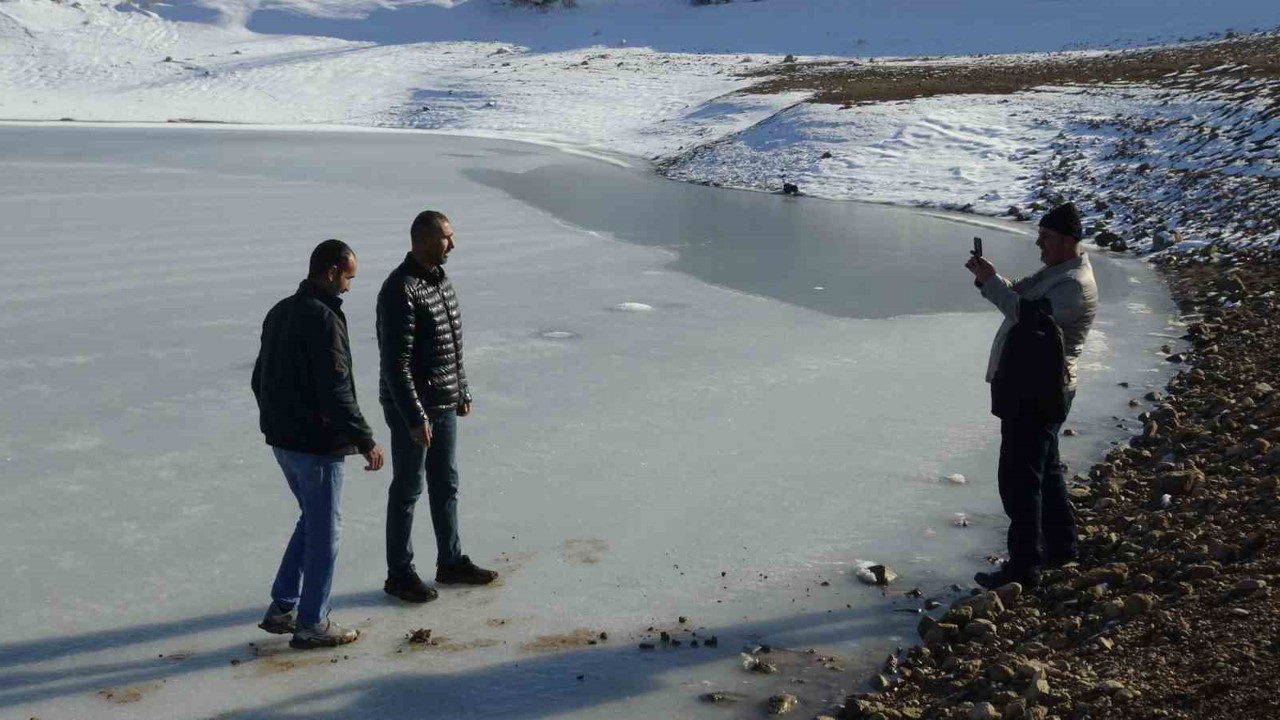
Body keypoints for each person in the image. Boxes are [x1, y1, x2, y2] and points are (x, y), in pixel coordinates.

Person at [252, 239, 385, 649]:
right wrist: (365, 439)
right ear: (330, 271)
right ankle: (313, 622)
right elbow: (336, 390)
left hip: (283, 442)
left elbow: (259, 378)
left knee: (311, 520)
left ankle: (283, 607)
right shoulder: (324, 318)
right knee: (326, 530)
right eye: (348, 277)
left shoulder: (280, 311)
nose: (349, 287)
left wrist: (276, 423)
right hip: (315, 445)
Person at [965, 202, 1098, 589]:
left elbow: (1026, 314)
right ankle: (1061, 546)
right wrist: (988, 277)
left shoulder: (1073, 284)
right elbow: (1019, 294)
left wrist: (991, 283)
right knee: (1046, 470)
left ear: (1069, 240)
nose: (1039, 244)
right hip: (1037, 386)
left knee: (1019, 478)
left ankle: (1024, 566)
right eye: (1039, 236)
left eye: (1046, 238)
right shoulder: (1058, 272)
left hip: (1039, 390)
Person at [378, 210, 497, 604]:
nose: (453, 244)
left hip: (443, 401)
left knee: (445, 482)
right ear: (424, 240)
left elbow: (451, 345)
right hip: (410, 407)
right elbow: (395, 363)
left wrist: (461, 389)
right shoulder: (401, 288)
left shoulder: (440, 281)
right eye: (446, 237)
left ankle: (450, 561)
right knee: (409, 488)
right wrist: (414, 416)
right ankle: (400, 574)